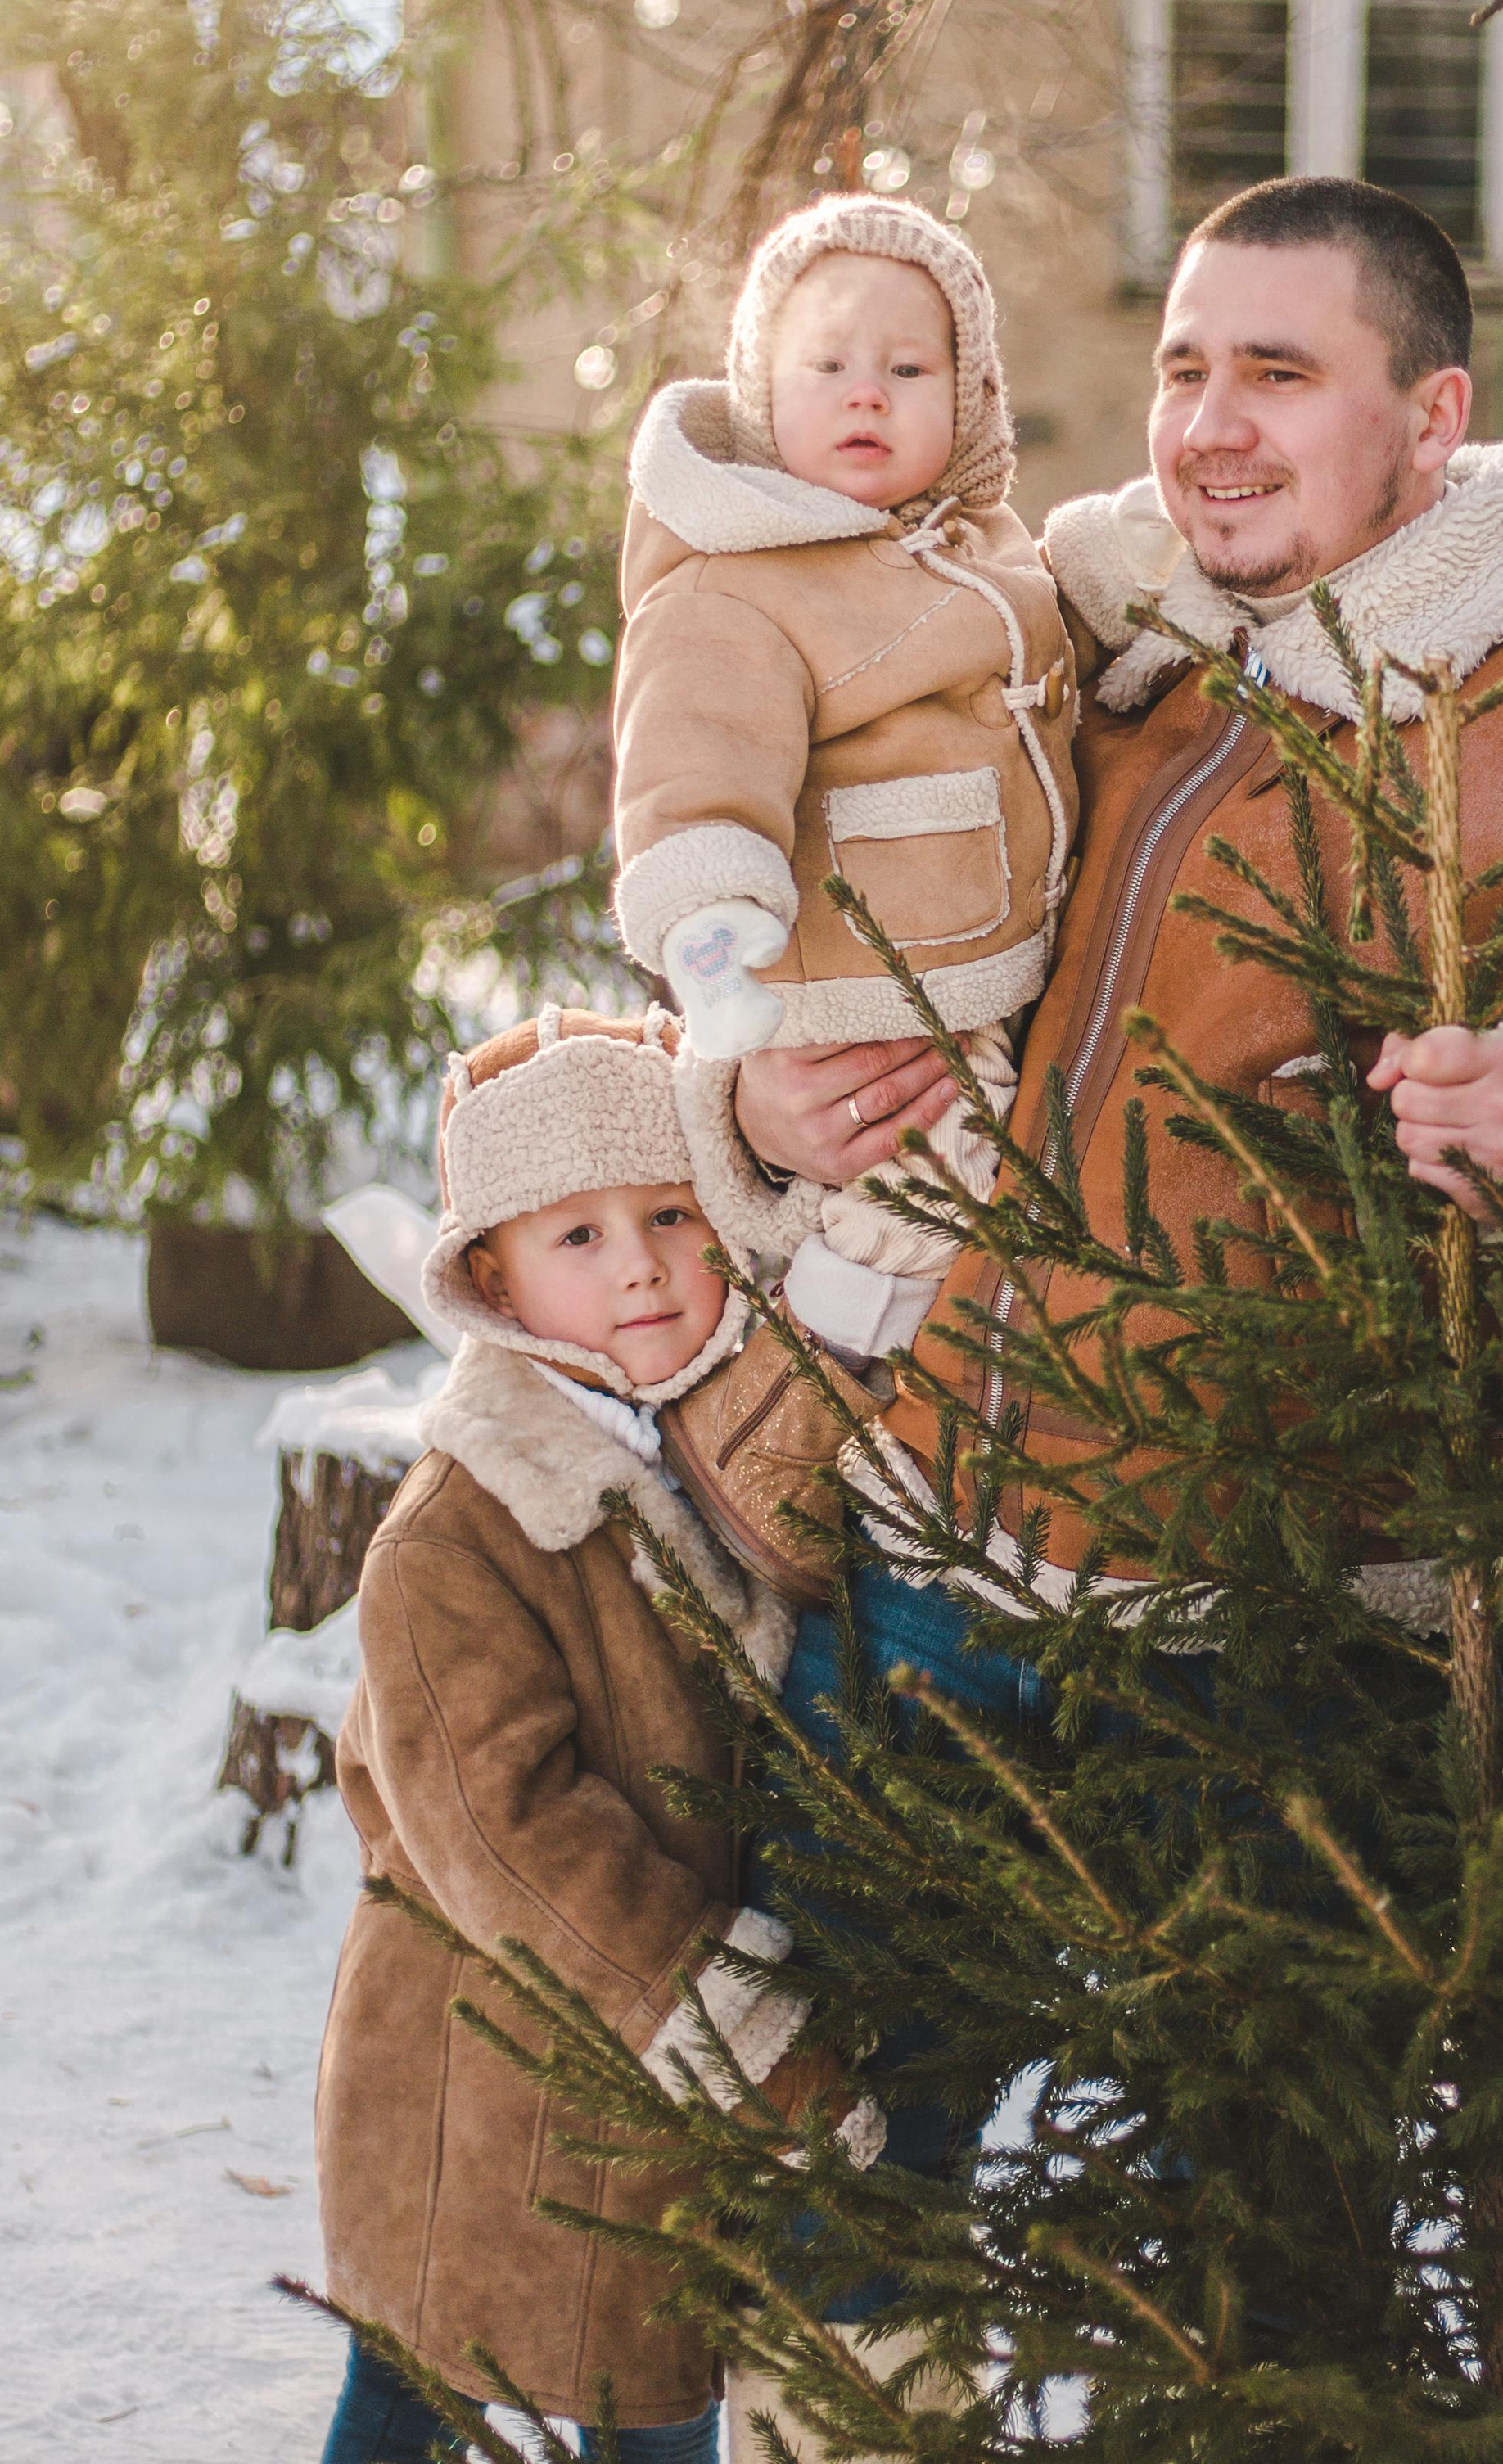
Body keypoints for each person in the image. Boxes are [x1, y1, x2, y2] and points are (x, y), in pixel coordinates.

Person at [729, 169, 1503, 1597]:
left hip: (1274, 1626)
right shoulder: (1073, 644)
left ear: (1434, 416)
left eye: (1280, 375)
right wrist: (761, 1104)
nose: (1211, 431)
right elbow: (831, 903)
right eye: (1186, 371)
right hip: (916, 1530)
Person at [314, 1009, 867, 2464]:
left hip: (650, 2094)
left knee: (653, 2396)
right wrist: (737, 2028)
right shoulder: (458, 1532)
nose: (641, 1262)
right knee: (426, 2388)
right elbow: (509, 1833)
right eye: (580, 1236)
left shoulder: (722, 1453)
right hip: (488, 2067)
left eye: (671, 1213)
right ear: (490, 1277)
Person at [609, 193, 1078, 1376]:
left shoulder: (982, 546)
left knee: (973, 1181)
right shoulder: (739, 583)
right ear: (766, 397)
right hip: (864, 987)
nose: (867, 392)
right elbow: (695, 754)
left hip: (968, 961)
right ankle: (822, 1392)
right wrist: (710, 927)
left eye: (909, 368)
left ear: (970, 404)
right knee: (929, 1186)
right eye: (827, 364)